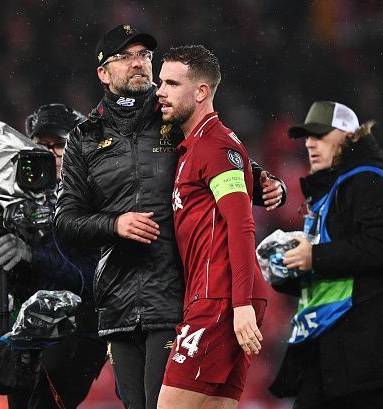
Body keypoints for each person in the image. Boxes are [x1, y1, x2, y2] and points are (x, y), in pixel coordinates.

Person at [55, 24, 284, 409]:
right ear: (103, 73)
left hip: (176, 296)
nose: (138, 63)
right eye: (125, 56)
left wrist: (264, 180)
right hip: (118, 303)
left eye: (144, 55)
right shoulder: (84, 137)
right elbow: (66, 222)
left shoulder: (172, 112)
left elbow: (219, 155)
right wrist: (114, 224)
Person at [269, 101, 383, 408]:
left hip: (371, 351)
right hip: (335, 350)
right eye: (307, 137)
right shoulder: (332, 190)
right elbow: (338, 268)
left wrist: (314, 256)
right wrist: (288, 270)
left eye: (319, 135)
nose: (309, 143)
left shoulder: (369, 179)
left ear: (346, 135)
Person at [0, 103, 107, 409]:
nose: (51, 152)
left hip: (76, 331)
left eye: (60, 144)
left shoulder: (94, 196)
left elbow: (92, 278)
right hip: (24, 330)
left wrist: (31, 253)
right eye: (42, 145)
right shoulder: (16, 197)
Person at [153, 45, 268, 409]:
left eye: (172, 83)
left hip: (220, 298)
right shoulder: (194, 147)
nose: (160, 92)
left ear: (201, 92)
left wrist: (242, 303)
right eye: (160, 82)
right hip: (221, 297)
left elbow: (241, 223)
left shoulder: (216, 146)